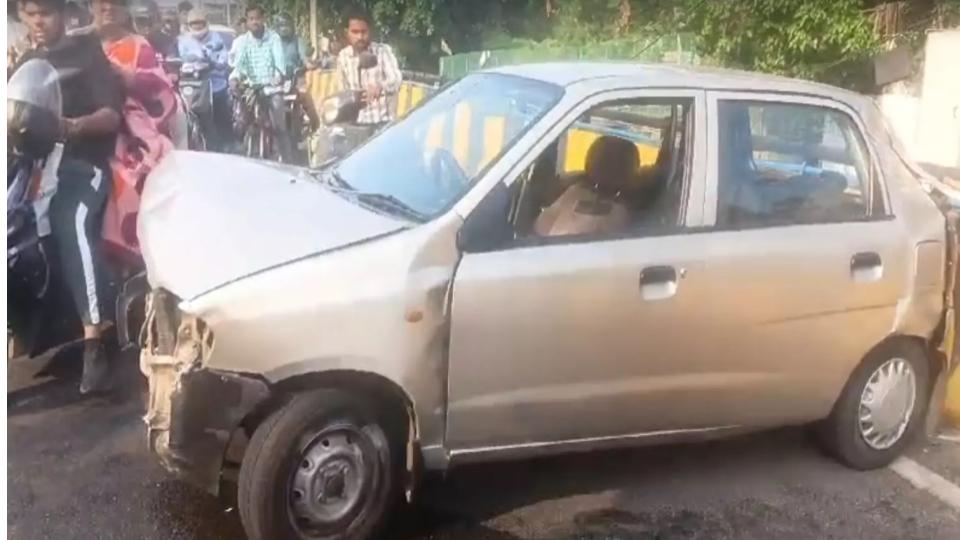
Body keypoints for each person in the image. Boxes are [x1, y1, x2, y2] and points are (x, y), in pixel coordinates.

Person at [16, 0, 125, 393]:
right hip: (32, 170)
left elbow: (111, 115)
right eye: (29, 14)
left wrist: (69, 127)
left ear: (62, 15)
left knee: (70, 221)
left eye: (44, 12)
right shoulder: (27, 61)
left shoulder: (86, 53)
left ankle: (96, 335)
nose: (37, 22)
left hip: (84, 164)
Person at [229, 4, 292, 161]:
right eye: (251, 19)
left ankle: (288, 161)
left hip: (272, 87)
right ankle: (245, 151)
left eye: (257, 18)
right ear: (247, 22)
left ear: (263, 19)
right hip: (252, 87)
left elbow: (279, 62)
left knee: (279, 126)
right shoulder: (243, 41)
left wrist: (278, 76)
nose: (254, 22)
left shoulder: (274, 38)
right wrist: (236, 78)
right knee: (242, 121)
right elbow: (239, 64)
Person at [336, 6, 402, 127]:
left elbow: (396, 79)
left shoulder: (383, 51)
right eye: (355, 32)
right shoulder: (343, 57)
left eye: (363, 32)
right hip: (356, 124)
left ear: (369, 31)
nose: (360, 37)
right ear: (347, 32)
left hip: (382, 123)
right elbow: (342, 92)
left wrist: (380, 87)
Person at [177, 8, 230, 150]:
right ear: (189, 25)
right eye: (194, 24)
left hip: (215, 84)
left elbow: (223, 58)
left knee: (221, 117)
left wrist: (217, 64)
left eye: (200, 23)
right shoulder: (183, 41)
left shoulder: (216, 38)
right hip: (192, 85)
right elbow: (180, 59)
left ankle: (227, 145)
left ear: (206, 23)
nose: (197, 26)